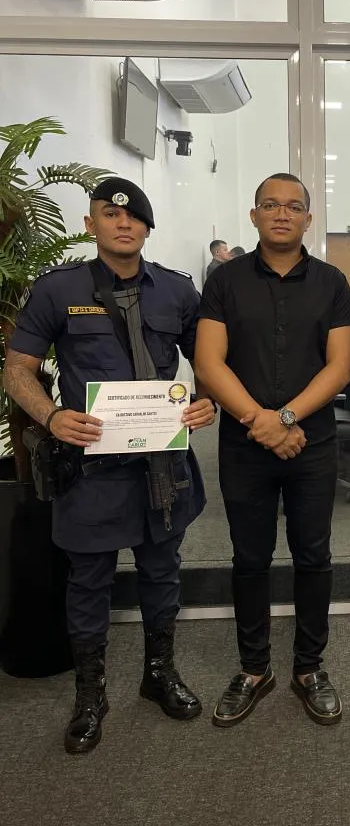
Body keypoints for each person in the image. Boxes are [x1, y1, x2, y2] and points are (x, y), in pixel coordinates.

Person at [4, 177, 216, 755]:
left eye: (134, 218)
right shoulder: (58, 289)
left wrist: (209, 400)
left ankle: (158, 674)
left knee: (161, 571)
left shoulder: (177, 291)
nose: (123, 224)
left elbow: (210, 362)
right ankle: (91, 694)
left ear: (147, 228)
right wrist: (50, 417)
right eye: (109, 214)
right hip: (91, 466)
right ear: (90, 223)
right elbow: (17, 367)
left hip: (161, 462)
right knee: (89, 580)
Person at [194, 172, 350, 728]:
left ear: (308, 218)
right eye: (270, 205)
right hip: (244, 445)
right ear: (254, 215)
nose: (282, 214)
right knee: (249, 559)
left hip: (312, 442)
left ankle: (309, 668)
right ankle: (254, 668)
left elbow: (339, 366)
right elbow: (208, 362)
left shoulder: (332, 282)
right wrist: (257, 420)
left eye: (294, 206)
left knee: (314, 556)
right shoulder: (224, 280)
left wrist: (284, 418)